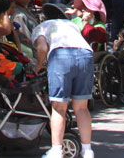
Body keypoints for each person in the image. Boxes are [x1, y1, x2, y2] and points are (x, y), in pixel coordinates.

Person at [32, 11, 95, 158]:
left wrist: (39, 65)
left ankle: (56, 150)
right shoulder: (71, 25)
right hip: (85, 55)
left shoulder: (40, 28)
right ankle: (87, 150)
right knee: (82, 107)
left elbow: (42, 48)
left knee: (59, 107)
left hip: (60, 56)